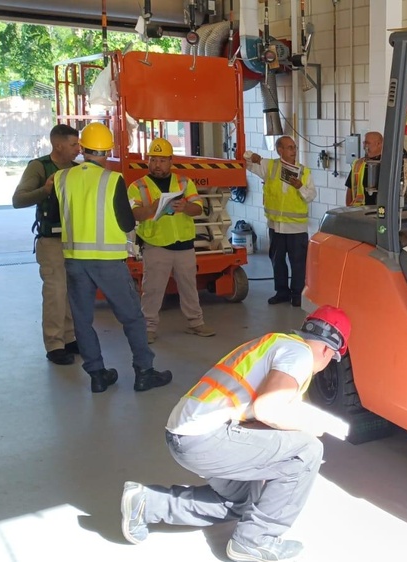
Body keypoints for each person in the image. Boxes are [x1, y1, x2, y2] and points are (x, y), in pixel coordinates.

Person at [119, 305, 351, 562]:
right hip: (204, 436)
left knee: (241, 500)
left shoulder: (278, 344)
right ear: (329, 350)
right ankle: (255, 541)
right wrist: (313, 424)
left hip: (187, 432)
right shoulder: (300, 355)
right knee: (307, 450)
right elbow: (268, 409)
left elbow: (255, 413)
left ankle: (146, 503)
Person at [54, 122, 172, 394]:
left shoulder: (62, 178)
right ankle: (144, 372)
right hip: (107, 261)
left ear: (82, 148)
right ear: (108, 150)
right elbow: (124, 221)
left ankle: (97, 375)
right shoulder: (112, 179)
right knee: (132, 317)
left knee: (82, 320)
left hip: (74, 260)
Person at [128, 138, 215, 344]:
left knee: (189, 287)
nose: (157, 164)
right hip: (156, 245)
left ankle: (196, 323)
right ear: (147, 161)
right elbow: (134, 214)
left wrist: (185, 207)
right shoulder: (137, 186)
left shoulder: (184, 182)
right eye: (153, 159)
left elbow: (198, 207)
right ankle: (148, 327)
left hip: (184, 244)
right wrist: (153, 207)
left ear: (170, 161)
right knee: (152, 290)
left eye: (162, 160)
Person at [12, 124, 81, 365]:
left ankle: (70, 338)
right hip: (50, 241)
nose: (78, 149)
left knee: (71, 291)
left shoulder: (78, 169)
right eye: (73, 145)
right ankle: (54, 344)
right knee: (55, 293)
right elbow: (18, 200)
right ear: (58, 145)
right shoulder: (39, 167)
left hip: (74, 239)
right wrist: (45, 189)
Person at [245, 136, 316, 307]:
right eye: (290, 148)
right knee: (277, 260)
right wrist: (253, 156)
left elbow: (311, 196)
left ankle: (297, 294)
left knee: (298, 262)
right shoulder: (270, 166)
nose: (293, 151)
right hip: (275, 225)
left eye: (294, 147)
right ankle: (281, 292)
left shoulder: (304, 172)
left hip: (295, 227)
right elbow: (246, 161)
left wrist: (300, 187)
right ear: (279, 150)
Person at [345, 131, 382, 206]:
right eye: (364, 143)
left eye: (367, 143)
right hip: (359, 211)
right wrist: (348, 208)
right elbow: (350, 189)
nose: (365, 146)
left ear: (378, 144)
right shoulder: (358, 164)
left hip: (379, 211)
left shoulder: (386, 164)